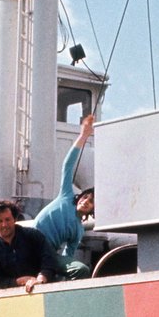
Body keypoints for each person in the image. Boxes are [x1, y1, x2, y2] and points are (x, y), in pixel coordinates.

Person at [33, 113, 95, 280]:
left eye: (90, 202)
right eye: (85, 197)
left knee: (82, 269)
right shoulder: (66, 196)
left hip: (47, 254)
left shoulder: (78, 230)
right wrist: (83, 135)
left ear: (93, 210)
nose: (86, 202)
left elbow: (69, 255)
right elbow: (67, 165)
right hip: (30, 243)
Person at [0, 199, 57, 293]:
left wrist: (40, 279)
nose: (4, 224)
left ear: (15, 219)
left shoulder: (33, 235)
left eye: (7, 219)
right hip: (12, 295)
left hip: (44, 289)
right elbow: (0, 280)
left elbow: (49, 260)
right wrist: (20, 281)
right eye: (0, 221)